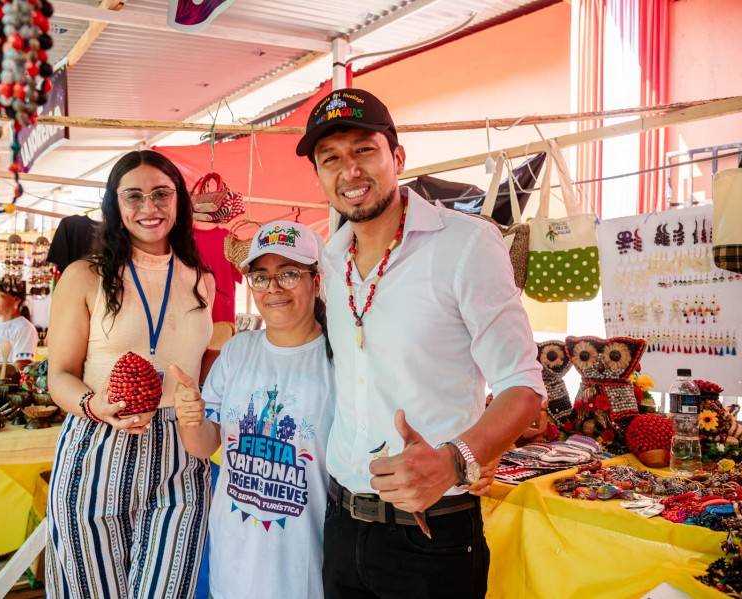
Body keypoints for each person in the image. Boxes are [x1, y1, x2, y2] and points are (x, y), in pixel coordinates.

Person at [295, 88, 546, 598]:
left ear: (397, 156)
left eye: (364, 150)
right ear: (320, 174)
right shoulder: (330, 257)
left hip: (432, 533)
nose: (350, 171)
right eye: (331, 159)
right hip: (343, 524)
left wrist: (457, 460)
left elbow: (523, 385)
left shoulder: (467, 243)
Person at [45, 150, 215, 598]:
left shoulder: (202, 279)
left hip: (180, 452)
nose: (149, 207)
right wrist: (93, 404)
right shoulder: (85, 276)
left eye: (162, 194)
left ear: (179, 200)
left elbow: (202, 360)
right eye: (133, 196)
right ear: (114, 204)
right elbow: (58, 374)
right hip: (97, 445)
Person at [173, 220, 335, 599]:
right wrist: (191, 416)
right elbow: (203, 445)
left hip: (305, 570)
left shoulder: (340, 358)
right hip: (233, 565)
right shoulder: (238, 350)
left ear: (316, 280)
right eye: (260, 277)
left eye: (289, 273)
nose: (273, 288)